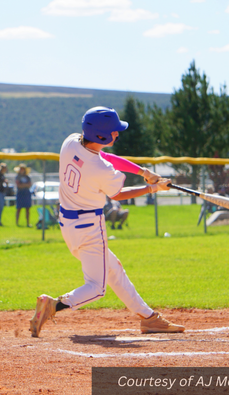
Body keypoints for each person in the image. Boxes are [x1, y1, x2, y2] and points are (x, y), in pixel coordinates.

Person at [30, 106, 184, 338]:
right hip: (90, 228)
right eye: (113, 131)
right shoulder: (101, 169)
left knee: (114, 269)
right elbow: (118, 195)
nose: (117, 134)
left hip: (68, 225)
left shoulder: (71, 142)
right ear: (101, 135)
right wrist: (152, 187)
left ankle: (148, 318)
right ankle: (53, 305)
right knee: (96, 288)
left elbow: (102, 155)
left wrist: (142, 171)